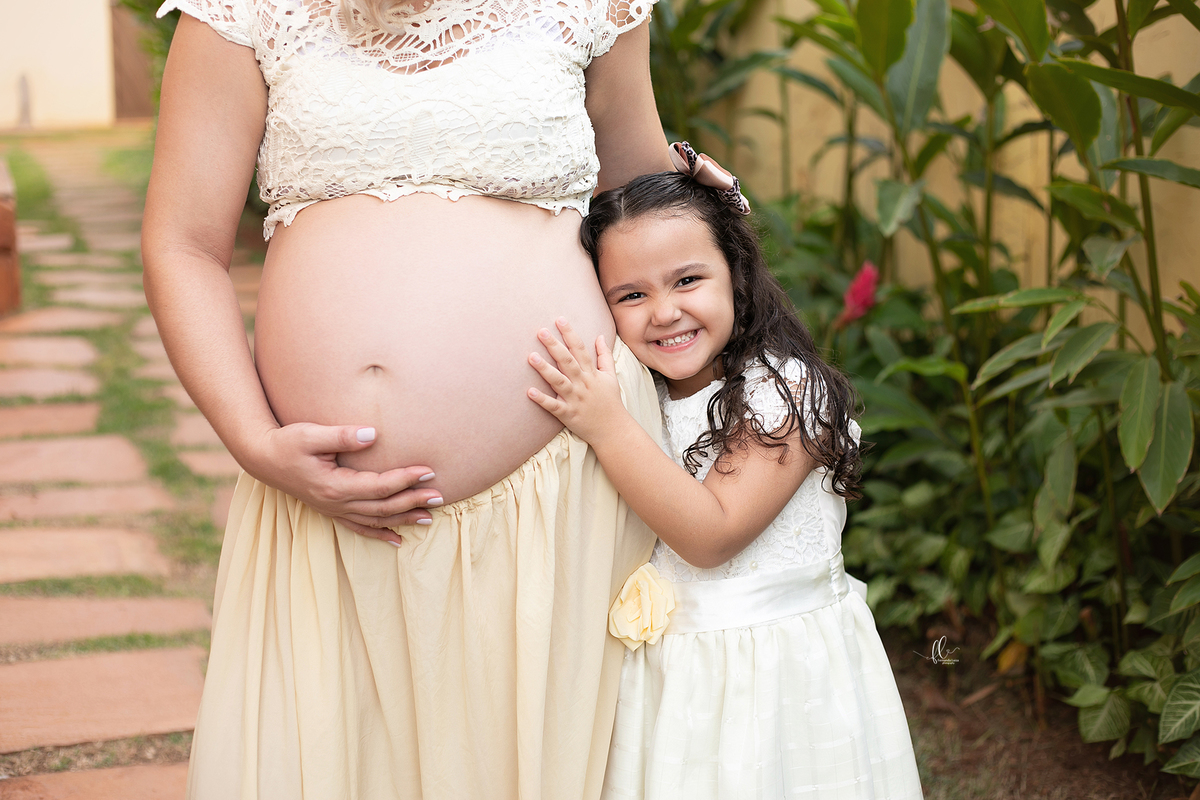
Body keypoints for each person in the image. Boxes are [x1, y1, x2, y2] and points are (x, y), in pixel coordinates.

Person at [141, 0, 672, 796]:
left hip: (562, 492)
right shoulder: (242, 12)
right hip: (326, 514)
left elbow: (643, 194)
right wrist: (254, 441)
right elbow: (182, 241)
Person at [525, 144, 925, 799]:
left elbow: (712, 534)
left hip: (776, 679)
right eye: (631, 293)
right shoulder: (642, 397)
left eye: (688, 280)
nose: (664, 311)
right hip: (675, 679)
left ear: (736, 275)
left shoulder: (789, 395)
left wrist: (602, 423)